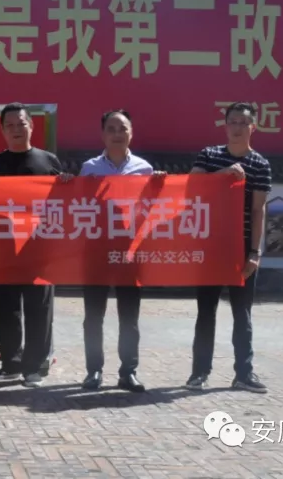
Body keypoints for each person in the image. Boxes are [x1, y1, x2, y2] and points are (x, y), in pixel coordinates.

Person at [0, 102, 72, 388]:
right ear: (2, 130)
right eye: (10, 125)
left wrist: (67, 184)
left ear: (31, 126)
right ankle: (10, 363)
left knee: (39, 308)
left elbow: (63, 203)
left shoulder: (48, 161)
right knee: (6, 308)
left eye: (21, 124)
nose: (16, 129)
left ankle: (34, 367)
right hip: (4, 248)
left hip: (39, 248)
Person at [186, 102, 272, 393]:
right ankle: (199, 373)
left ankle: (244, 374)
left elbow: (258, 210)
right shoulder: (209, 155)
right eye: (232, 121)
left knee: (242, 314)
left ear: (253, 127)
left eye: (243, 122)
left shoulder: (260, 164)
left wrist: (254, 253)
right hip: (210, 245)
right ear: (225, 126)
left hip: (241, 248)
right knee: (205, 312)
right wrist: (222, 174)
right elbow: (191, 186)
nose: (237, 127)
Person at [78, 109, 163, 393]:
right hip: (96, 250)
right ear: (103, 135)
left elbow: (154, 209)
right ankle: (94, 371)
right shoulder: (89, 168)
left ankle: (128, 372)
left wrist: (160, 186)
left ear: (131, 133)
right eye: (111, 129)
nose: (117, 134)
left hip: (130, 251)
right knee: (93, 316)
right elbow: (76, 204)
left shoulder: (145, 169)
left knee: (129, 316)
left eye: (122, 128)